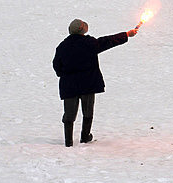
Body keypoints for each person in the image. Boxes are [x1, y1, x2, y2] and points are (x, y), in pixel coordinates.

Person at [53, 19, 138, 147]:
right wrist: (126, 34)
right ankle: (85, 137)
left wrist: (64, 75)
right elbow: (107, 41)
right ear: (82, 29)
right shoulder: (89, 43)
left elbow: (56, 65)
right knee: (88, 112)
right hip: (88, 83)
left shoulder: (62, 46)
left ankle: (68, 141)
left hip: (69, 85)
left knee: (69, 114)